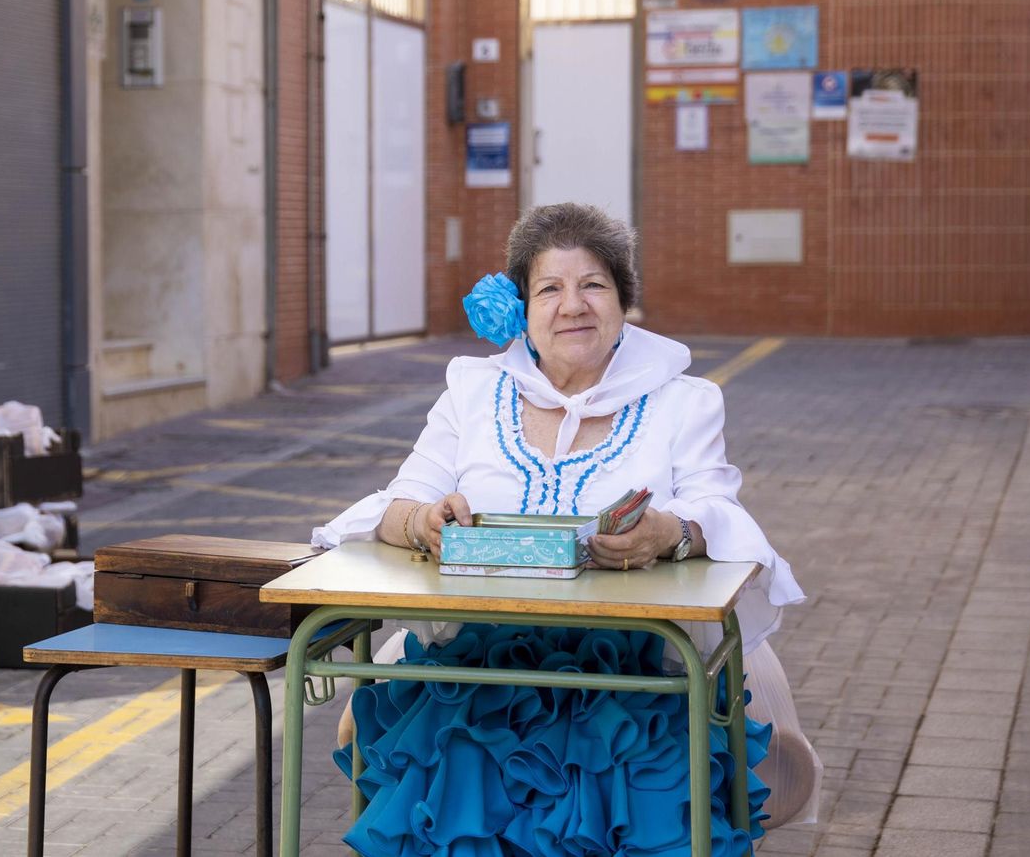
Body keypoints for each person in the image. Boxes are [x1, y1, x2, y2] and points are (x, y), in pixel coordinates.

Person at [314, 203, 820, 856]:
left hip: (639, 656)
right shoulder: (474, 392)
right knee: (463, 761)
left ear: (623, 301)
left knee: (628, 785)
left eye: (593, 285)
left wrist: (668, 532)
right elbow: (400, 497)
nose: (572, 305)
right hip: (480, 654)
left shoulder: (682, 399)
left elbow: (716, 509)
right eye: (550, 288)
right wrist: (421, 521)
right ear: (523, 309)